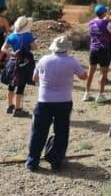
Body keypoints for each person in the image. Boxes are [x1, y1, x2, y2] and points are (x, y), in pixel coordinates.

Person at [25, 36, 87, 172]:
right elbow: (83, 77)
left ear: (53, 47)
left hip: (44, 100)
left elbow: (34, 78)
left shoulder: (43, 60)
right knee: (61, 132)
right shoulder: (72, 61)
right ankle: (56, 161)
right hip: (64, 101)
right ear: (67, 48)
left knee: (38, 132)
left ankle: (32, 161)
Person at [1, 16, 38, 117]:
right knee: (21, 86)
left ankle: (9, 106)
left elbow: (3, 49)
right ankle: (18, 109)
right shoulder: (28, 36)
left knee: (11, 85)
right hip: (24, 63)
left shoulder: (11, 36)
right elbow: (34, 48)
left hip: (12, 62)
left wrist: (12, 54)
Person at [84, 5, 111, 103]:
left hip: (93, 48)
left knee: (91, 71)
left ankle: (86, 93)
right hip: (103, 49)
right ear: (103, 13)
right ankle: (100, 95)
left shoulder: (91, 22)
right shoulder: (107, 23)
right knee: (104, 72)